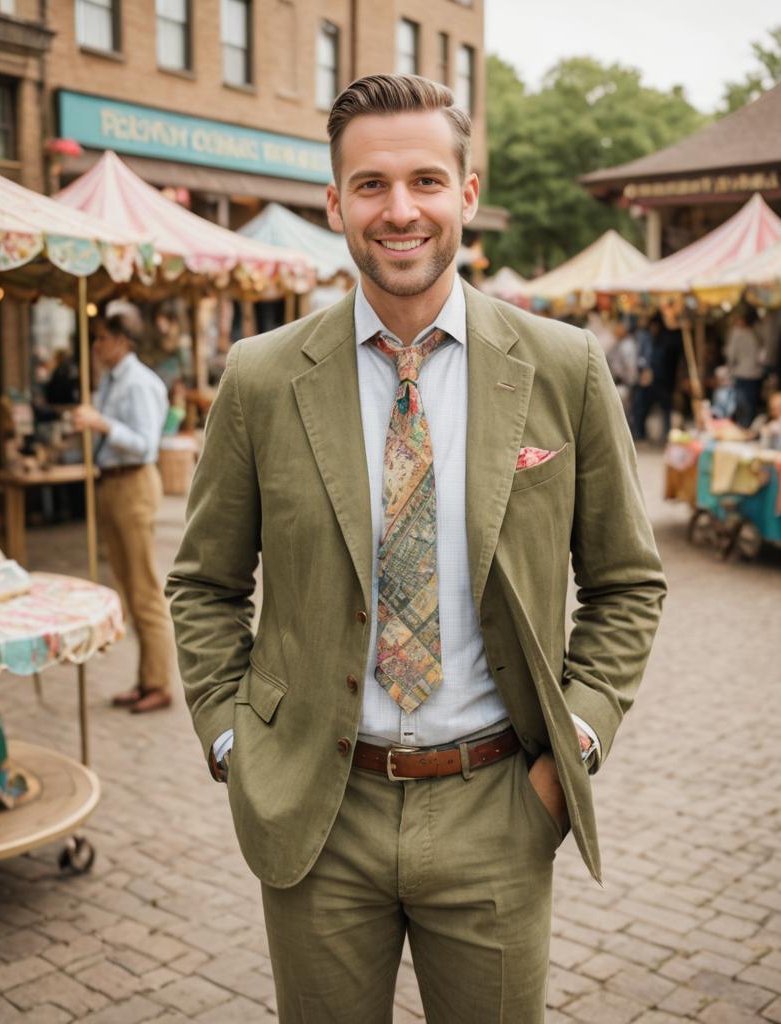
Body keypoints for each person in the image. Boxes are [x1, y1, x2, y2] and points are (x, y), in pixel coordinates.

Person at [167, 74, 665, 1022]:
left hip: (499, 807)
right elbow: (204, 582)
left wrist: (574, 752)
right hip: (315, 807)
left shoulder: (564, 366)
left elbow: (629, 583)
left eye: (427, 181)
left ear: (468, 194)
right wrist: (237, 745)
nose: (401, 211)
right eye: (371, 185)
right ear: (334, 203)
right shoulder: (262, 378)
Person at [73, 311, 175, 714]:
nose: (96, 347)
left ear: (121, 340)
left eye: (101, 339)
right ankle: (146, 677)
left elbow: (145, 442)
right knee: (128, 586)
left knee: (145, 588)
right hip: (112, 481)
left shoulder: (138, 383)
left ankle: (159, 682)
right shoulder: (111, 381)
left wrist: (101, 425)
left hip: (133, 482)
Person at [725, 307, 764, 428]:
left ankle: (744, 427)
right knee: (749, 403)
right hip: (753, 373)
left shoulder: (738, 332)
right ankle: (746, 427)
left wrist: (730, 368)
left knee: (743, 404)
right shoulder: (757, 331)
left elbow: (731, 354)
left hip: (743, 373)